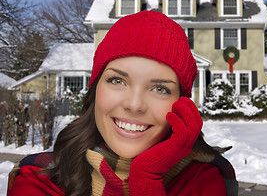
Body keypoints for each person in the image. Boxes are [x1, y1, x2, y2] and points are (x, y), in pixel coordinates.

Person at [7, 11, 238, 195]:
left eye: (160, 89)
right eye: (117, 80)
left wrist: (146, 179)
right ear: (96, 89)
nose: (135, 104)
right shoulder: (40, 178)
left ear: (181, 105)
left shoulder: (202, 181)